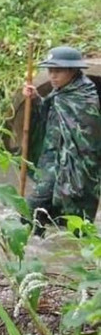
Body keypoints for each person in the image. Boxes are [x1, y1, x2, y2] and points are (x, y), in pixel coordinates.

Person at [23, 46, 101, 228]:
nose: (52, 76)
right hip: (51, 161)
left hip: (73, 167)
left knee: (71, 218)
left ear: (73, 71)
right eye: (50, 71)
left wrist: (69, 164)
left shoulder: (85, 96)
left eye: (58, 71)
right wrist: (35, 99)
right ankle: (34, 248)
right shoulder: (60, 92)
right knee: (36, 212)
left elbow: (90, 141)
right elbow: (49, 117)